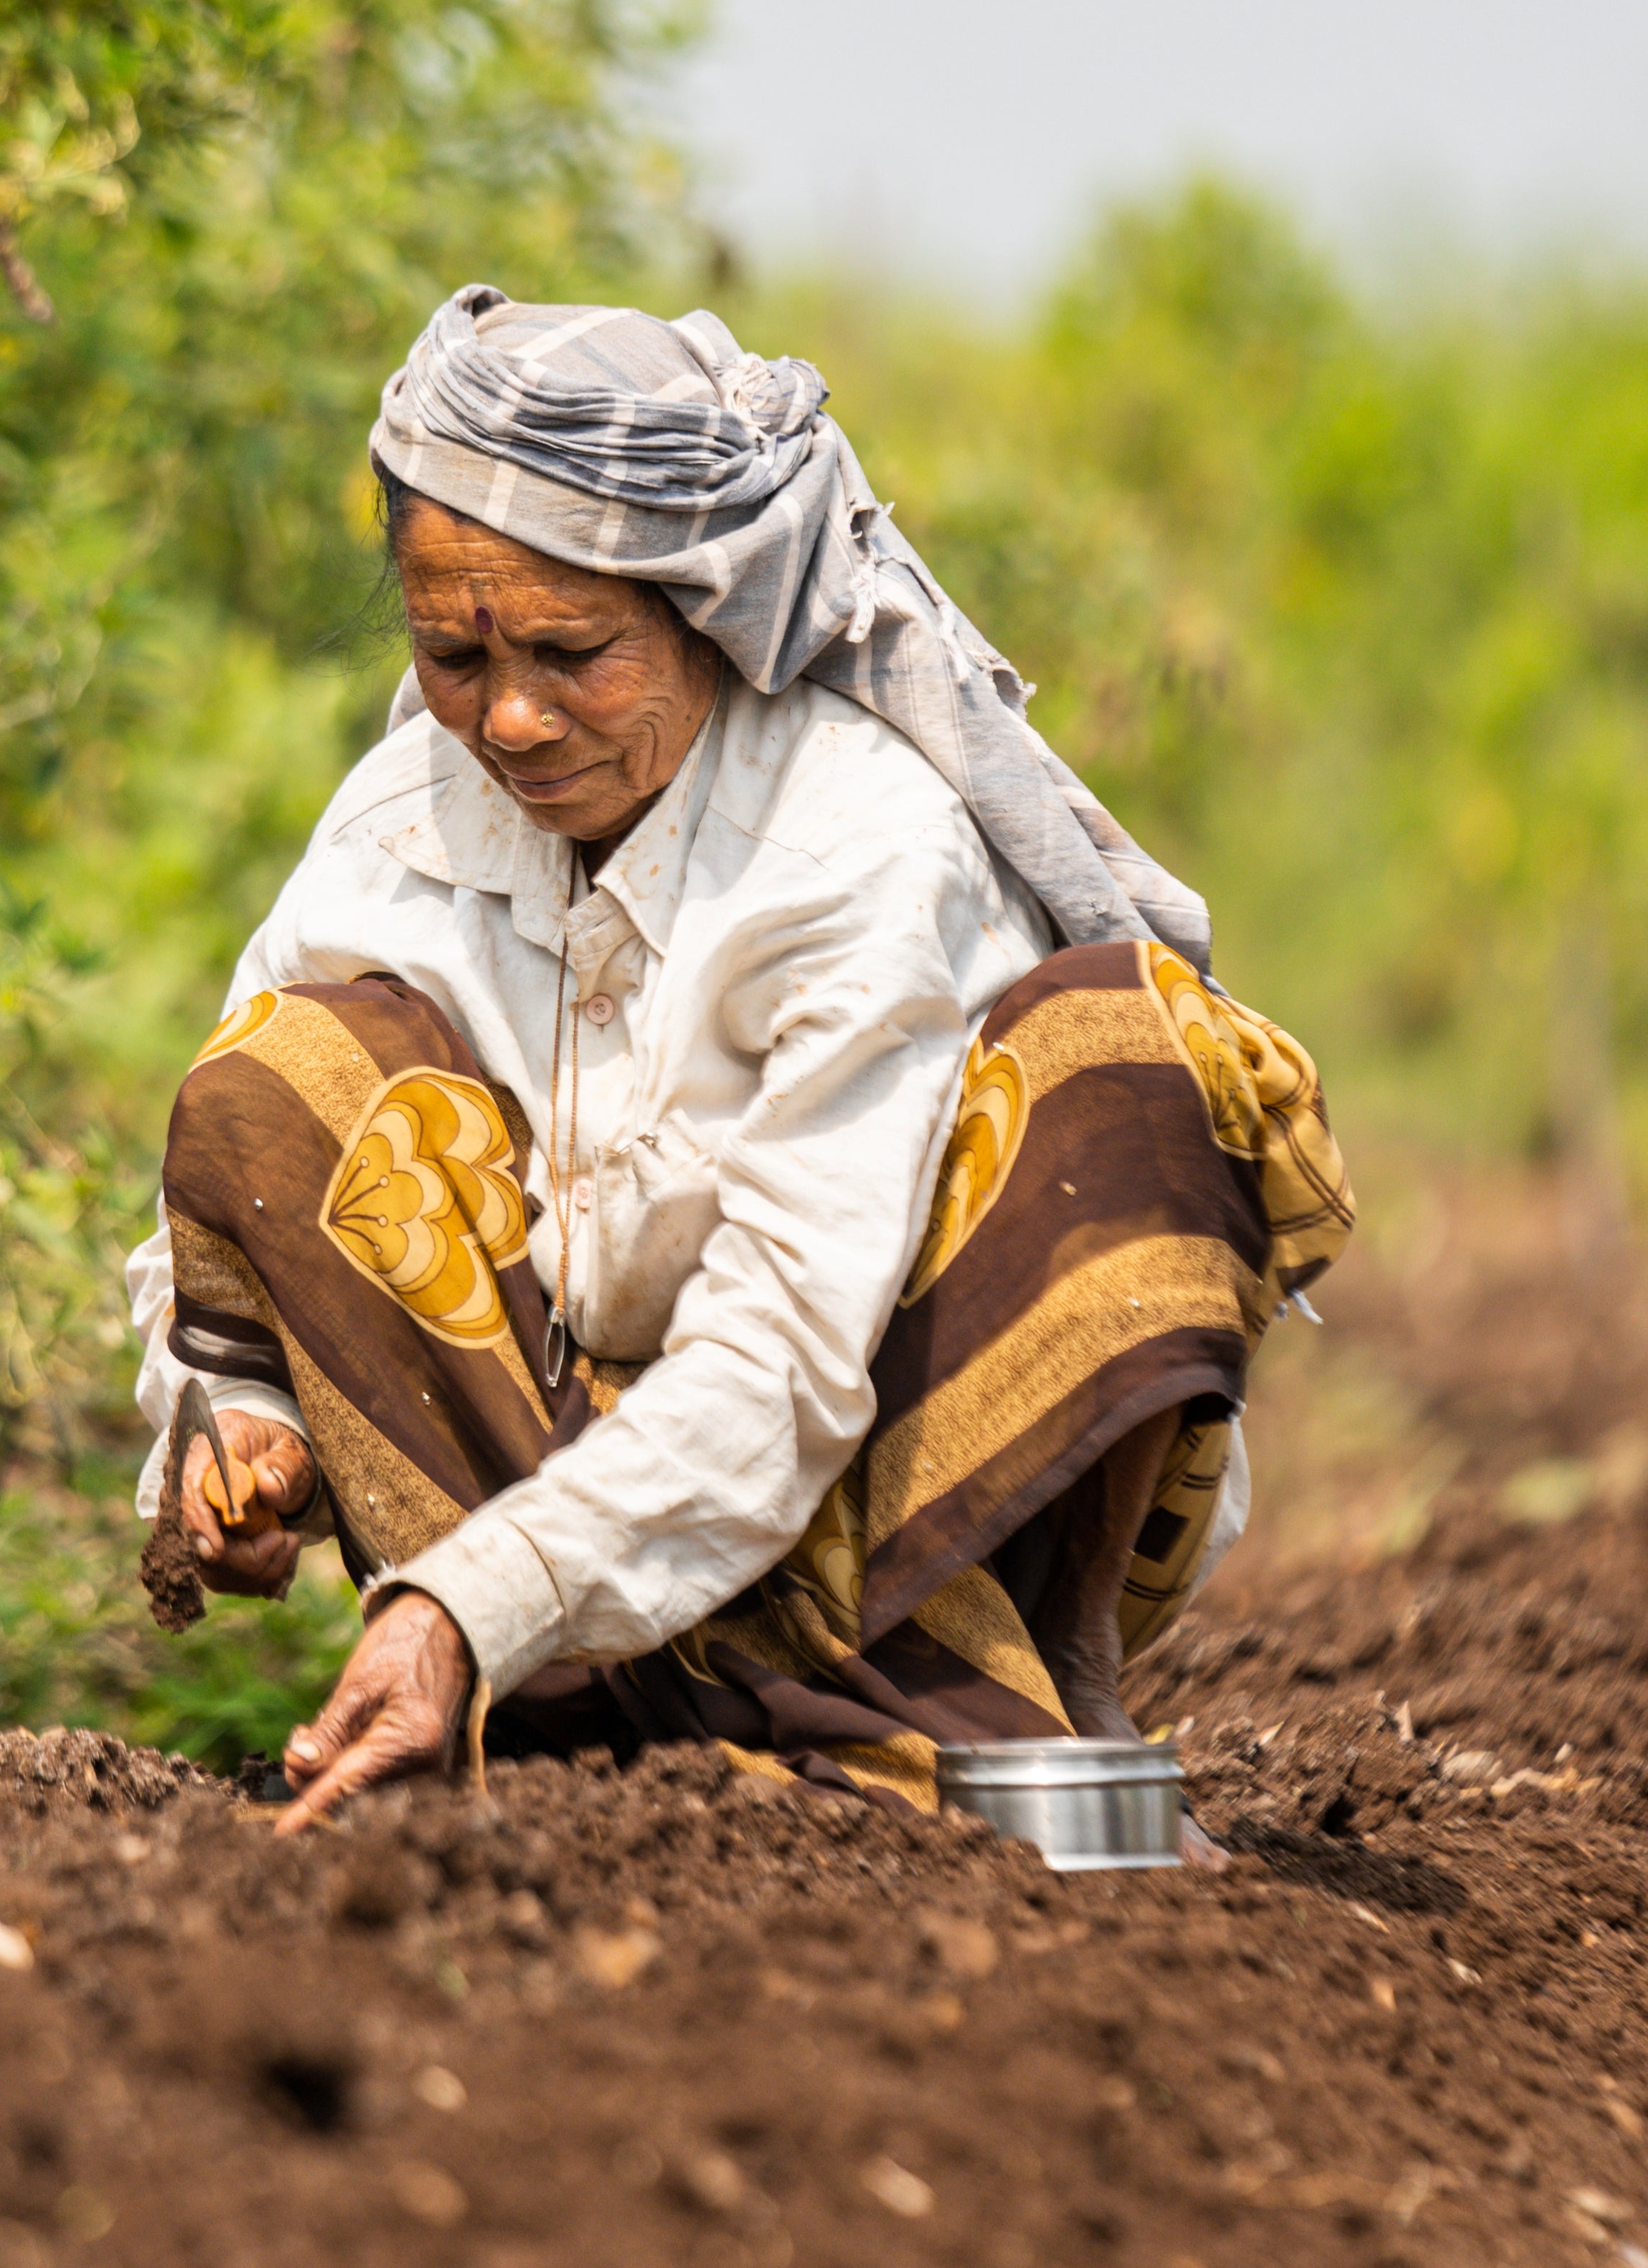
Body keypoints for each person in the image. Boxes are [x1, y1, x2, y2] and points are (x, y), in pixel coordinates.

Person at [126, 288, 1351, 1853]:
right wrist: (232, 1424)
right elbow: (205, 1237)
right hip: (531, 1461)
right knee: (285, 1072)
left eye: (573, 651)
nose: (508, 716)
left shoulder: (857, 843)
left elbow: (782, 1362)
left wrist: (465, 1607)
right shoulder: (397, 824)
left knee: (1134, 1063)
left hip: (868, 1484)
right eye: (452, 653)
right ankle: (599, 1705)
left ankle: (1000, 1686)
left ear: (705, 615)